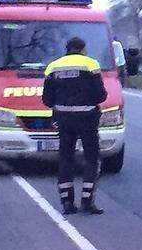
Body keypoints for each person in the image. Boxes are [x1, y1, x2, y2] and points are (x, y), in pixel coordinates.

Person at [43, 37, 108, 215]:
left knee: (66, 159)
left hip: (63, 119)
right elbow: (101, 95)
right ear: (82, 49)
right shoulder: (91, 64)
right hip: (87, 118)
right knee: (92, 159)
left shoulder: (53, 66)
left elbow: (47, 100)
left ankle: (67, 202)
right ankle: (87, 200)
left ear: (67, 48)